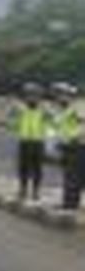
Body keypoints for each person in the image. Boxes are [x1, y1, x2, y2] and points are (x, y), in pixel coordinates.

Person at [8, 82, 52, 203]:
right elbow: (11, 124)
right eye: (29, 95)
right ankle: (23, 189)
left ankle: (36, 191)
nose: (32, 97)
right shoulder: (20, 109)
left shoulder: (44, 109)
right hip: (24, 141)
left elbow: (54, 122)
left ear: (39, 96)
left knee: (37, 168)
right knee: (23, 167)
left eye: (35, 95)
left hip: (38, 142)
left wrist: (49, 114)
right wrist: (12, 113)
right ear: (25, 96)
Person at [52, 82, 82, 210]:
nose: (58, 97)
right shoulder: (62, 110)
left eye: (61, 94)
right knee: (69, 176)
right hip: (67, 147)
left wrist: (71, 137)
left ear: (69, 94)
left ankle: (69, 205)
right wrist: (57, 141)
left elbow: (82, 126)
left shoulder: (78, 107)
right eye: (57, 94)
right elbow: (58, 128)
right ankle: (69, 203)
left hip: (79, 146)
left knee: (73, 177)